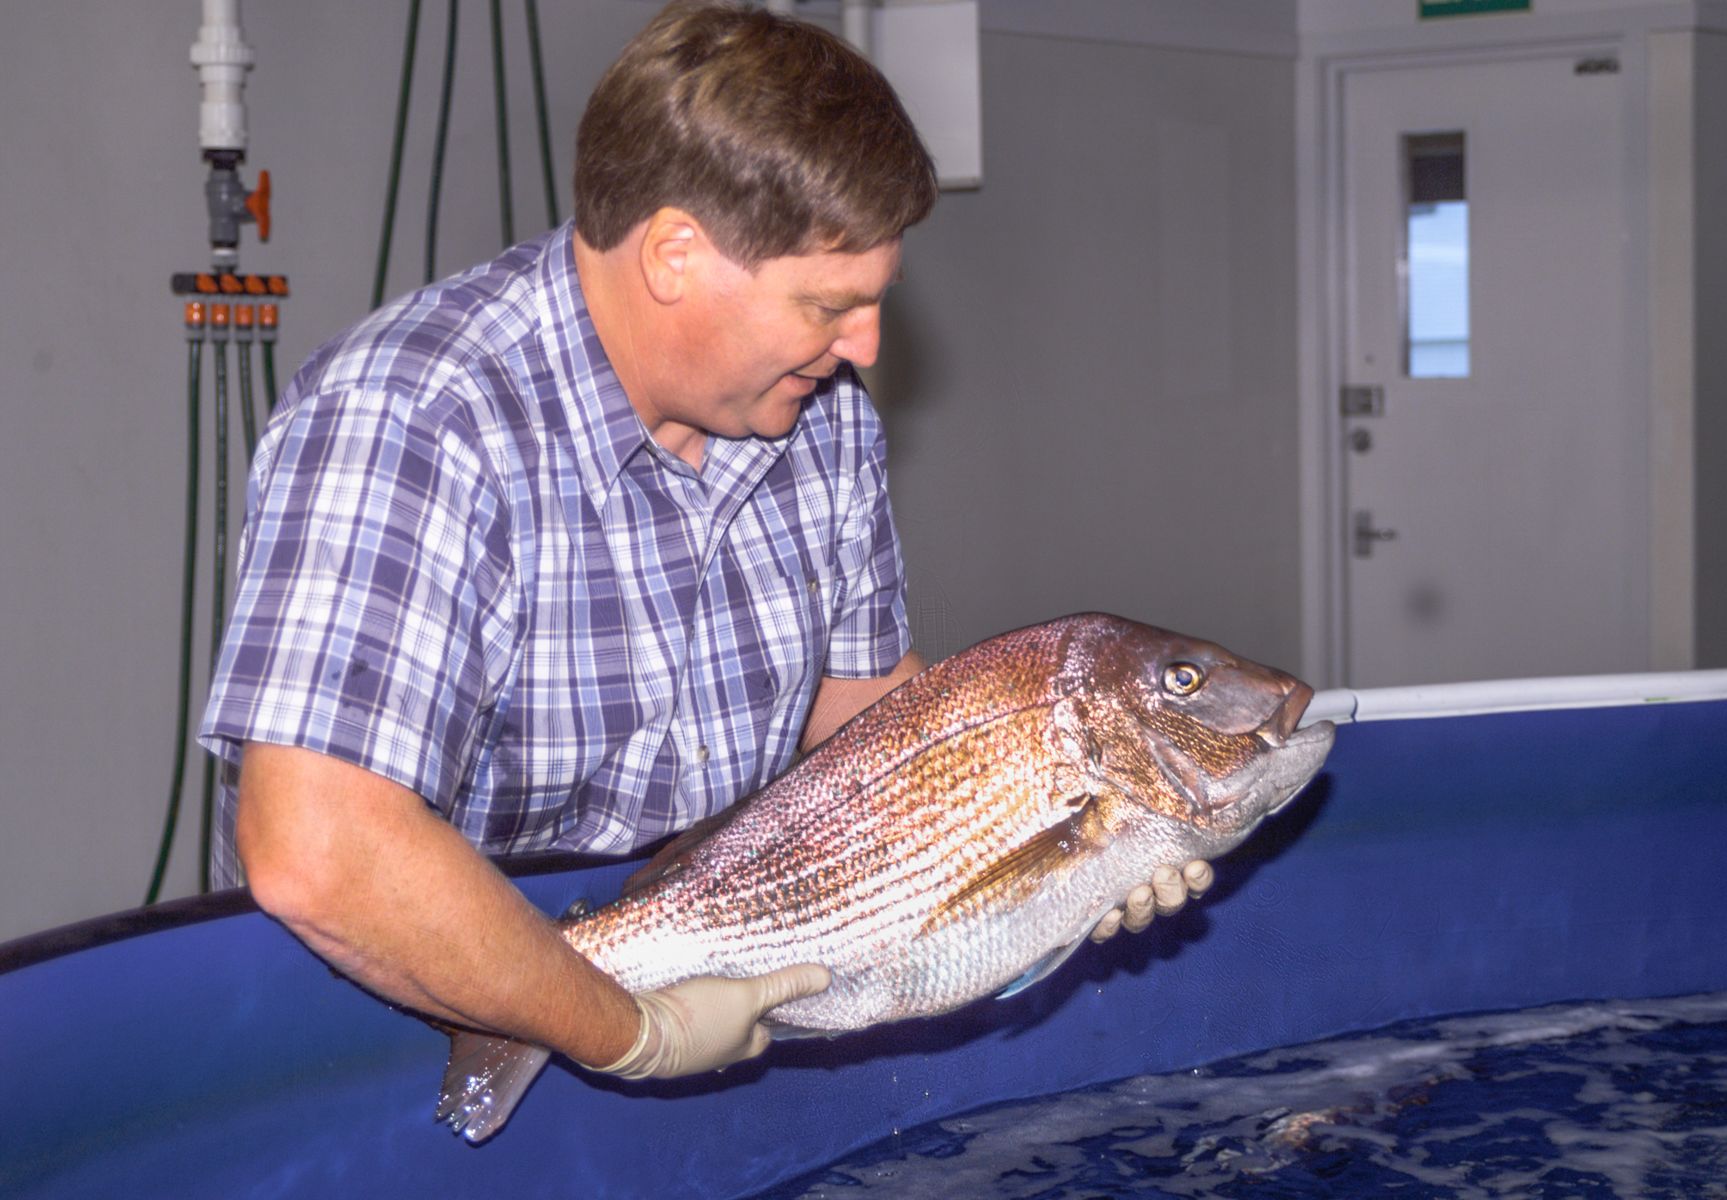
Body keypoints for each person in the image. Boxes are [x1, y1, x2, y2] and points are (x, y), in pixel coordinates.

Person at [197, 0, 1211, 1084]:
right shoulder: (416, 420)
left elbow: (872, 719)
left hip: (706, 951)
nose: (863, 344)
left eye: (874, 301)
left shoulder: (816, 417)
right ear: (675, 253)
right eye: (827, 304)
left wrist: (1067, 837)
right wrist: (629, 1033)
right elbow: (320, 853)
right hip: (379, 1018)